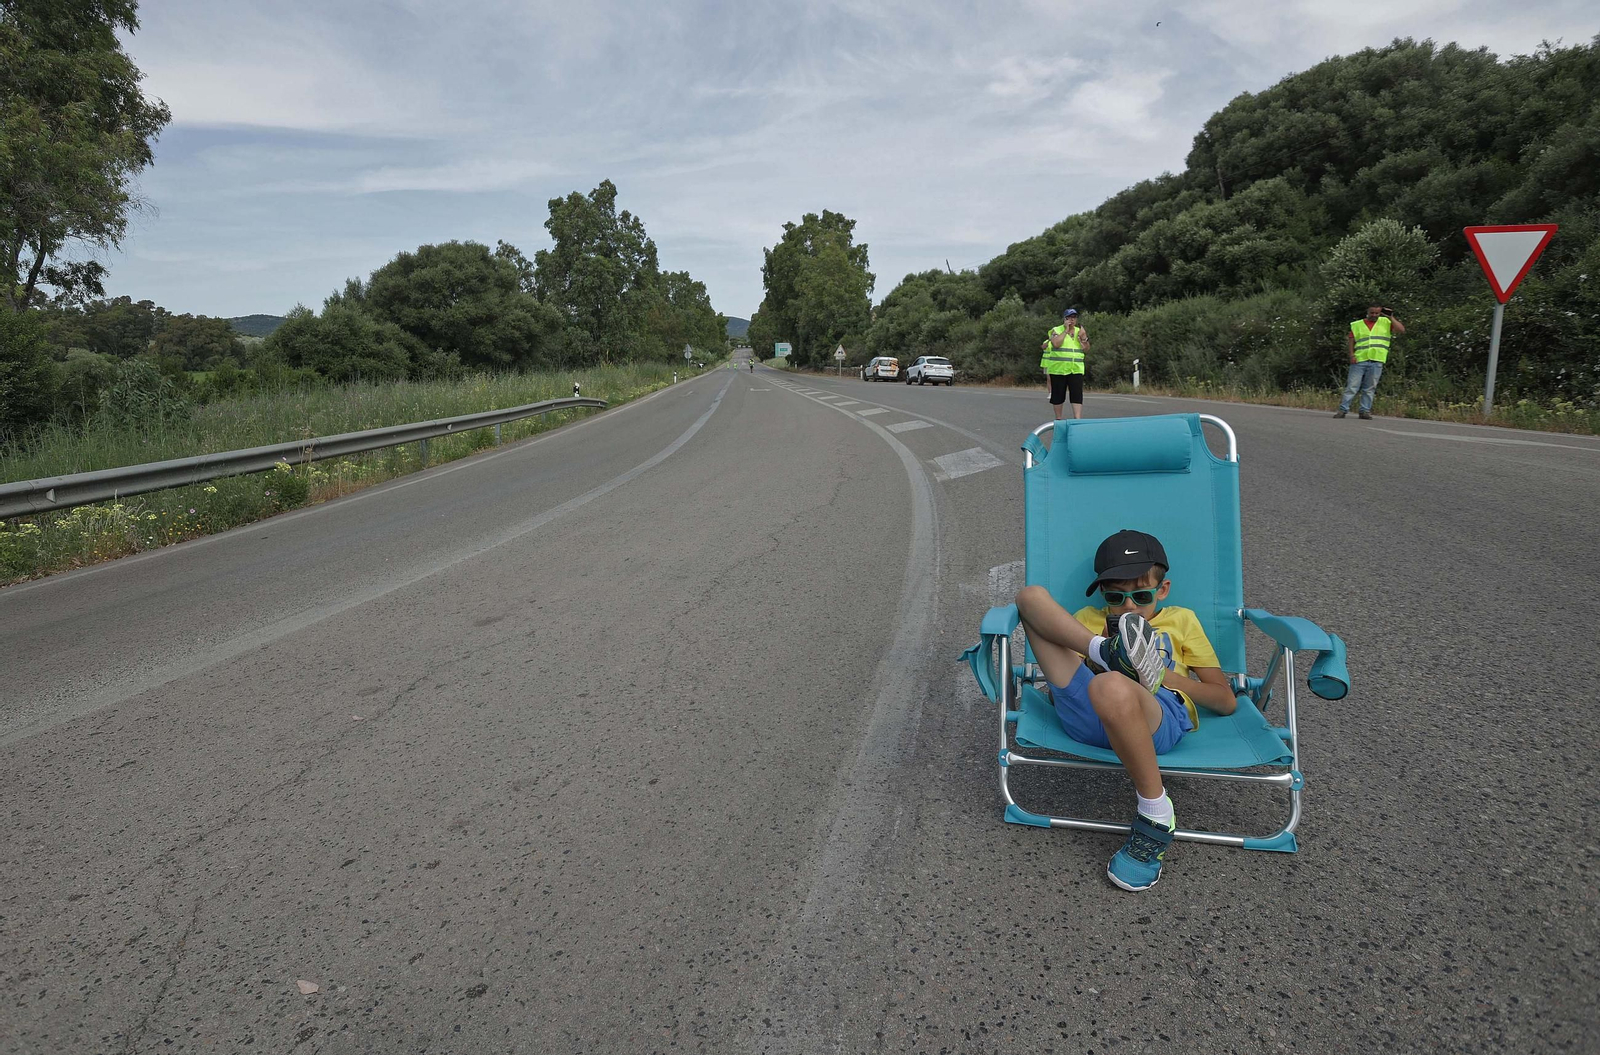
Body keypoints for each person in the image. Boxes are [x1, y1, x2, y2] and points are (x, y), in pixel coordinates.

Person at [1013, 529, 1236, 892]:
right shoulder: (1086, 617)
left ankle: (1156, 814)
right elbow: (1062, 687)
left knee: (1111, 685)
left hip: (1154, 719)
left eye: (1142, 596)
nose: (1129, 607)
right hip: (1088, 715)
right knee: (1029, 597)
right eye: (1116, 598)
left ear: (1162, 590)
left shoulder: (1181, 621)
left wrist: (1162, 676)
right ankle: (1108, 651)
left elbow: (1225, 701)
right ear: (1103, 594)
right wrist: (1094, 655)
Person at [1335, 304, 1405, 419]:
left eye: (1376, 313)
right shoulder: (1357, 324)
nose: (1374, 315)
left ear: (1380, 313)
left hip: (1377, 360)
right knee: (1352, 386)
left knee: (1370, 388)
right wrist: (1351, 355)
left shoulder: (1386, 322)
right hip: (1360, 359)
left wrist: (1391, 317)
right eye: (1372, 313)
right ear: (1367, 312)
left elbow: (1401, 330)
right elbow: (1351, 340)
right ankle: (1343, 410)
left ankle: (1364, 411)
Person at [1040, 309, 1089, 420]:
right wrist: (1066, 331)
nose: (1072, 319)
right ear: (1064, 319)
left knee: (1077, 395)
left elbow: (1086, 349)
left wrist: (1084, 337)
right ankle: (1059, 418)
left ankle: (1077, 419)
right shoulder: (1056, 330)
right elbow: (1056, 343)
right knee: (1058, 396)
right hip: (1058, 369)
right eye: (1069, 317)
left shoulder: (1079, 331)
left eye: (1074, 317)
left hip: (1076, 369)